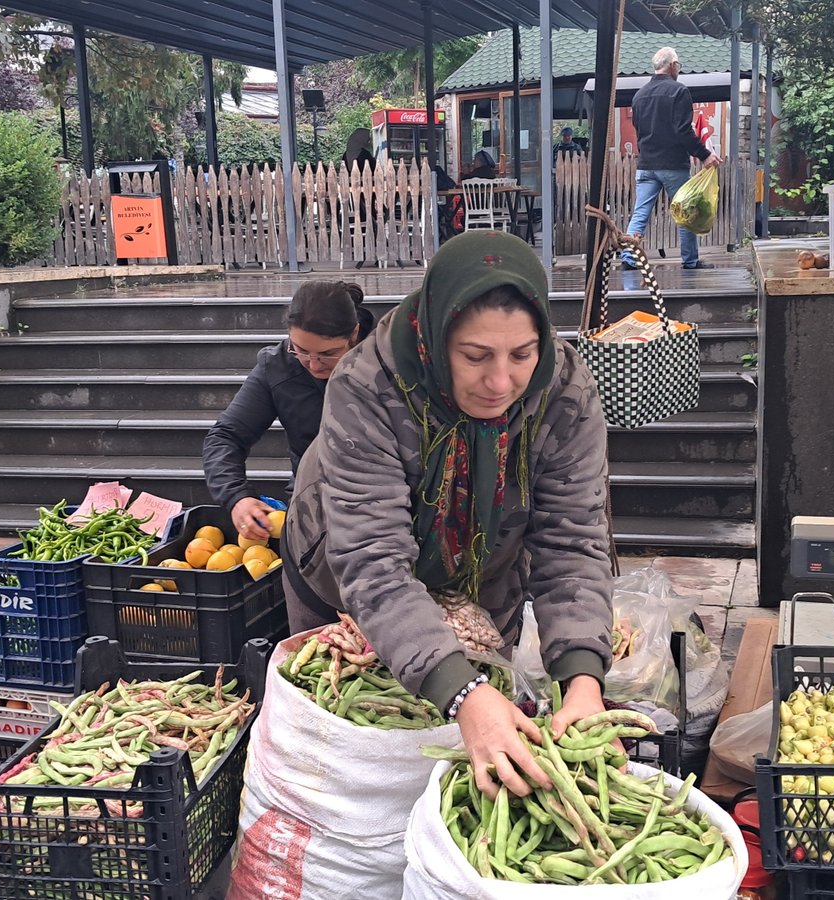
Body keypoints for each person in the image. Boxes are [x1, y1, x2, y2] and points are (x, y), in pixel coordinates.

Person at [281, 230, 615, 798]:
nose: (500, 382)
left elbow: (574, 537)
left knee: (484, 752)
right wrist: (460, 691)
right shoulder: (367, 385)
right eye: (475, 356)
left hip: (488, 568)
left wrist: (583, 677)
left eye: (522, 355)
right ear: (437, 337)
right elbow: (373, 560)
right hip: (340, 569)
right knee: (355, 745)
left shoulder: (564, 390)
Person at [202, 281, 375, 541]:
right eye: (302, 351)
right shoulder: (278, 365)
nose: (314, 366)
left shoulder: (384, 362)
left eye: (328, 354)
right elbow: (225, 437)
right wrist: (236, 497)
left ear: (355, 333)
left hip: (381, 505)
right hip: (312, 506)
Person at [624, 46, 722, 271]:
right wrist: (705, 155)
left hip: (646, 164)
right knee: (685, 210)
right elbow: (683, 131)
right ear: (672, 66)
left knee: (640, 212)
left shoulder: (639, 95)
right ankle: (689, 261)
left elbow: (638, 128)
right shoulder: (679, 91)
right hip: (672, 165)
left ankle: (629, 257)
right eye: (678, 65)